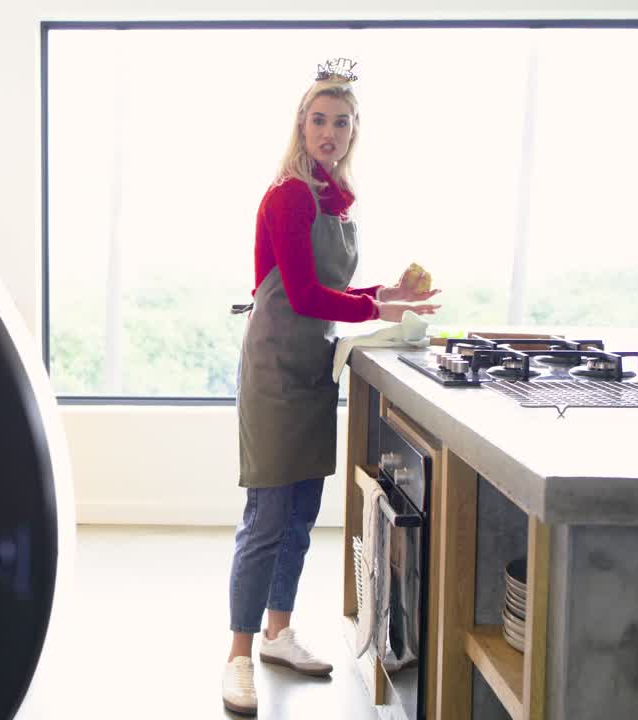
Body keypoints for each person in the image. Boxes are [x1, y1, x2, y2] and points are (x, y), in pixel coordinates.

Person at [221, 58, 440, 716]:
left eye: (340, 122)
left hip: (313, 367)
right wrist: (379, 311)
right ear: (302, 125)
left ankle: (278, 633)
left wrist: (385, 295)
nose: (329, 131)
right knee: (265, 518)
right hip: (273, 371)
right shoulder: (288, 195)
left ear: (353, 133)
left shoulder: (337, 201)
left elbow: (335, 295)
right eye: (318, 119)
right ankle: (236, 655)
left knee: (300, 518)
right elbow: (306, 292)